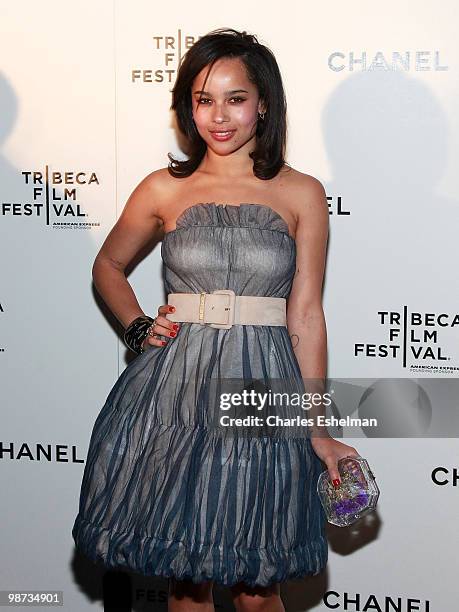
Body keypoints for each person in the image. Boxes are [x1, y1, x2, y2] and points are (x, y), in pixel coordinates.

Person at [72, 28, 361, 612]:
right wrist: (134, 325)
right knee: (188, 583)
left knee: (258, 590)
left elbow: (305, 312)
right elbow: (108, 264)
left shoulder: (302, 192)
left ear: (264, 104)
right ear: (188, 107)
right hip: (177, 390)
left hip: (263, 390)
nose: (218, 116)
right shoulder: (163, 188)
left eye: (235, 98)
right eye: (204, 99)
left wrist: (315, 424)